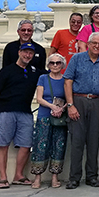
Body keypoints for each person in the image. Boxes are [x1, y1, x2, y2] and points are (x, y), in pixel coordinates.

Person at [63, 32, 99, 189]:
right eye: (94, 43)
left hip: (98, 102)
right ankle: (74, 177)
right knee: (77, 140)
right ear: (88, 43)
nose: (97, 46)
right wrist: (70, 105)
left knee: (94, 141)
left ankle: (92, 176)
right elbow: (68, 81)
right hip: (78, 100)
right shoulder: (76, 59)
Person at [0, 43, 44, 189]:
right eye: (25, 52)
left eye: (30, 53)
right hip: (5, 111)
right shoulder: (6, 71)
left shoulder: (35, 72)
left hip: (25, 112)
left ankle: (18, 175)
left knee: (26, 145)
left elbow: (51, 75)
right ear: (19, 52)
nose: (28, 55)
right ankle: (3, 177)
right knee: (3, 144)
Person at [30, 53, 68, 189]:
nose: (55, 65)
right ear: (48, 65)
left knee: (58, 145)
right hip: (44, 115)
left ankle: (55, 176)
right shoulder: (43, 78)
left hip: (60, 117)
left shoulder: (66, 80)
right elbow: (39, 98)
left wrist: (61, 109)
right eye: (52, 63)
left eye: (58, 63)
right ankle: (37, 177)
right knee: (41, 145)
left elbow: (69, 98)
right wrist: (53, 107)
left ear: (62, 65)